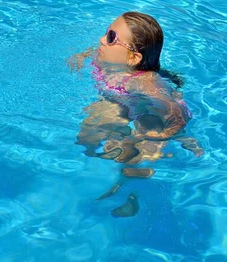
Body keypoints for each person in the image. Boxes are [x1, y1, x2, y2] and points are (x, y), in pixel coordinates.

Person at [68, 12, 203, 216]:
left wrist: (169, 133)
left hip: (148, 110)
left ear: (133, 58)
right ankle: (100, 171)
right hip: (118, 100)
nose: (101, 40)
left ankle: (131, 191)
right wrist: (81, 56)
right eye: (106, 33)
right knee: (86, 138)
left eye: (111, 38)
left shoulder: (144, 83)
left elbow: (173, 110)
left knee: (140, 151)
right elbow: (93, 50)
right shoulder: (106, 56)